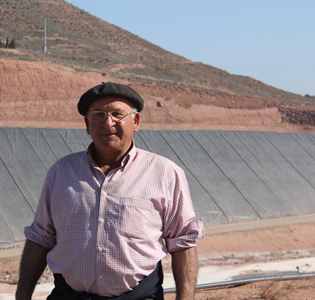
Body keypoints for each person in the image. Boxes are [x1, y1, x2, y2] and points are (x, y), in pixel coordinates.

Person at [15, 82, 205, 300]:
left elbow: (182, 243)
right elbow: (41, 238)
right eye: (98, 114)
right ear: (87, 124)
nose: (107, 122)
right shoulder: (61, 172)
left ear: (135, 121)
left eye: (117, 114)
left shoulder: (165, 173)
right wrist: (22, 295)